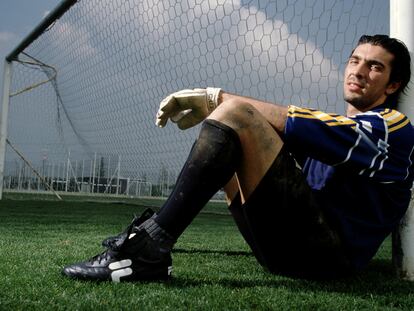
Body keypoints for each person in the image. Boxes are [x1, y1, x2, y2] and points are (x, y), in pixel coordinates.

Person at [62, 34, 414, 282]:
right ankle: (149, 245)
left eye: (374, 67)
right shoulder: (334, 127)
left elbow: (314, 127)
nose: (358, 71)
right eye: (354, 60)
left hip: (330, 259)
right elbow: (293, 131)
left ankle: (149, 248)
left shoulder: (394, 128)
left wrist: (218, 99)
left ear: (392, 86)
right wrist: (224, 121)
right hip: (283, 252)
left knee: (236, 114)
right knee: (236, 125)